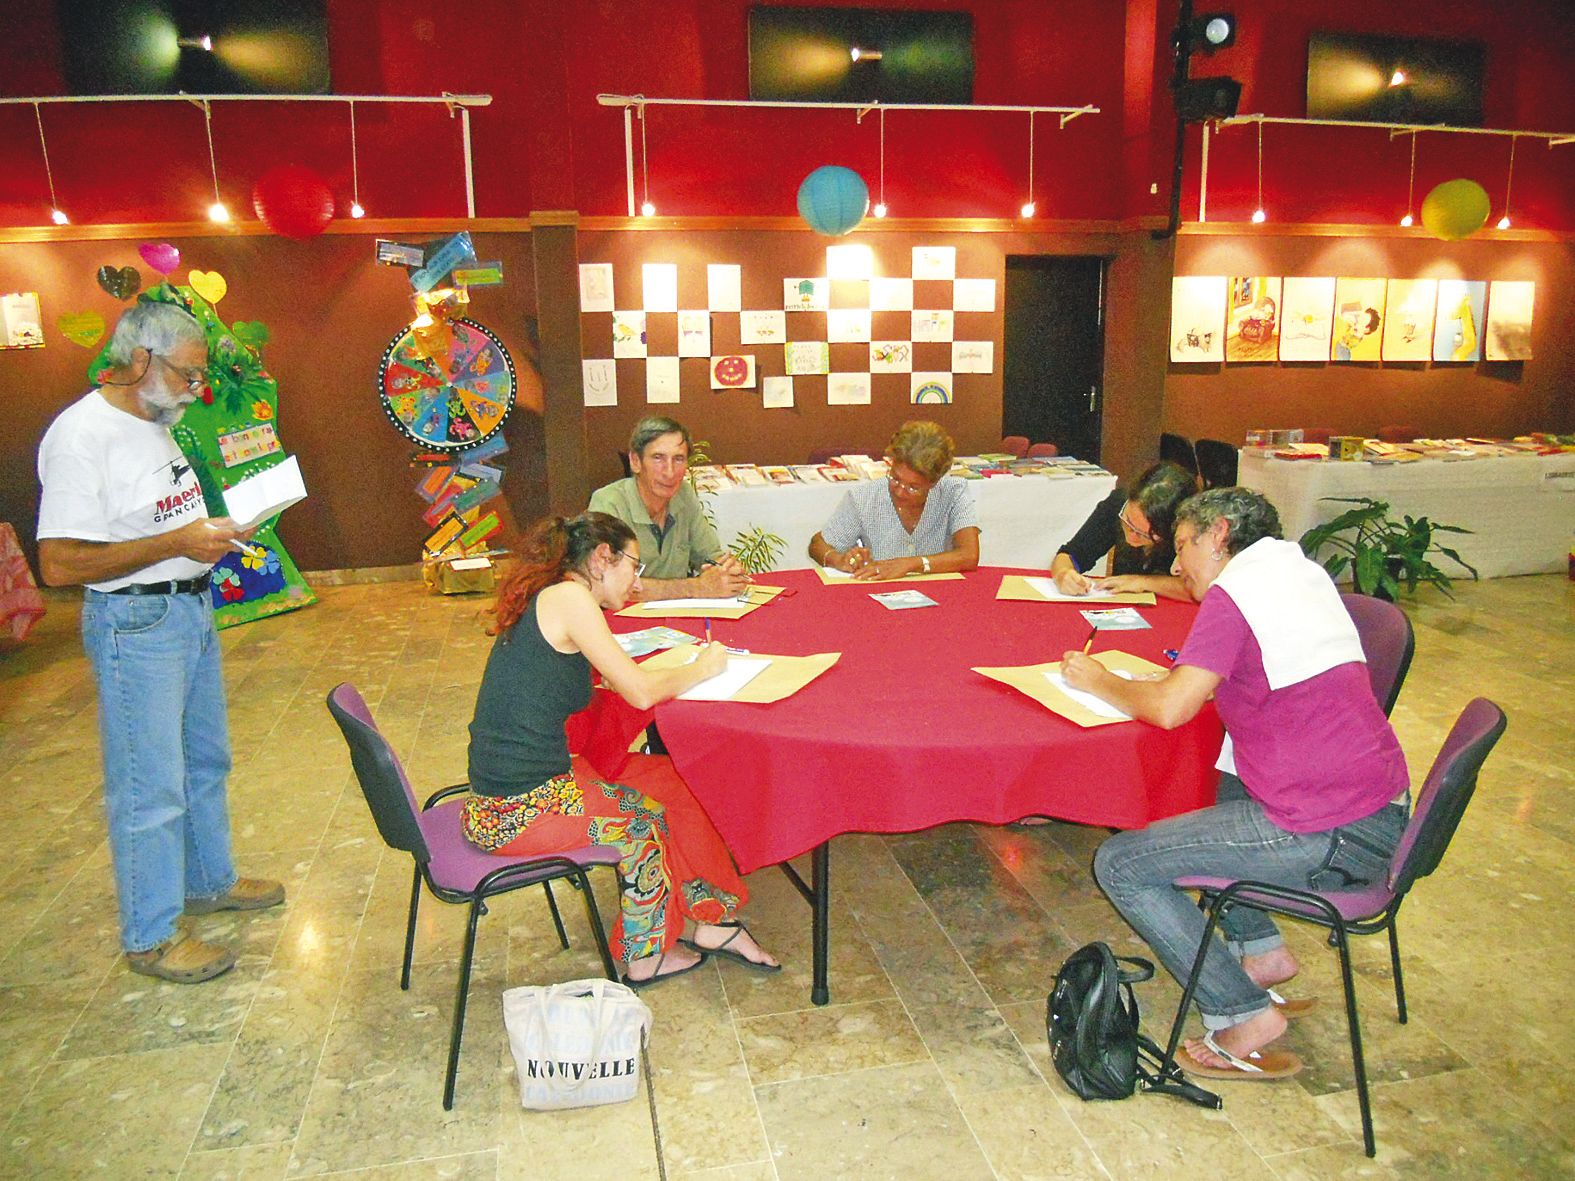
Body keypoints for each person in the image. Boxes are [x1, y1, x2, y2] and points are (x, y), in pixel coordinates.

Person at [1061, 487, 1409, 1081]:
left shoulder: (1236, 594)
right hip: (1378, 805)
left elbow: (1171, 709)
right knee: (1225, 767)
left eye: (1182, 546)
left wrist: (1099, 680)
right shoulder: (1295, 568)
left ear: (1218, 534)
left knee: (1121, 862)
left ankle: (1240, 1013)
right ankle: (1261, 952)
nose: (1175, 565)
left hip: (1330, 831)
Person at [35, 299, 285, 985]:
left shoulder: (156, 421)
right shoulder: (81, 436)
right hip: (135, 626)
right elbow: (58, 563)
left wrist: (210, 534)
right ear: (139, 359)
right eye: (188, 374)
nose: (195, 389)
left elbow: (159, 518)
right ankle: (149, 934)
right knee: (150, 784)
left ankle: (207, 880)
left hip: (188, 610)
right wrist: (178, 542)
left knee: (205, 760)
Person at [464, 512, 779, 987]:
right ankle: (644, 957)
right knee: (644, 819)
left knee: (671, 781)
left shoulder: (555, 594)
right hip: (516, 808)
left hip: (540, 782)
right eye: (633, 564)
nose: (636, 578)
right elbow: (641, 693)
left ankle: (712, 921)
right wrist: (705, 666)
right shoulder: (570, 597)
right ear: (601, 558)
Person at [588, 415, 751, 600]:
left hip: (676, 619)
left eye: (679, 459)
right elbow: (608, 584)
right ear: (635, 461)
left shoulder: (684, 495)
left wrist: (727, 573)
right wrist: (696, 588)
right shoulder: (608, 503)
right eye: (658, 458)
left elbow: (712, 557)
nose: (670, 472)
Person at [808, 420, 980, 580]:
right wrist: (839, 560)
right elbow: (818, 545)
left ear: (934, 482)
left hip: (942, 594)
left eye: (913, 487)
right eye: (895, 478)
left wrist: (910, 564)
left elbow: (969, 555)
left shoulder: (953, 491)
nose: (900, 491)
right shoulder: (864, 497)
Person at [1050, 461, 1196, 602]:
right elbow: (1071, 554)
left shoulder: (1192, 529)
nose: (1132, 536)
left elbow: (1201, 589)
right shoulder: (1117, 504)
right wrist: (1064, 574)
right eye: (1128, 522)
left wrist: (1144, 582)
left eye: (1145, 534)